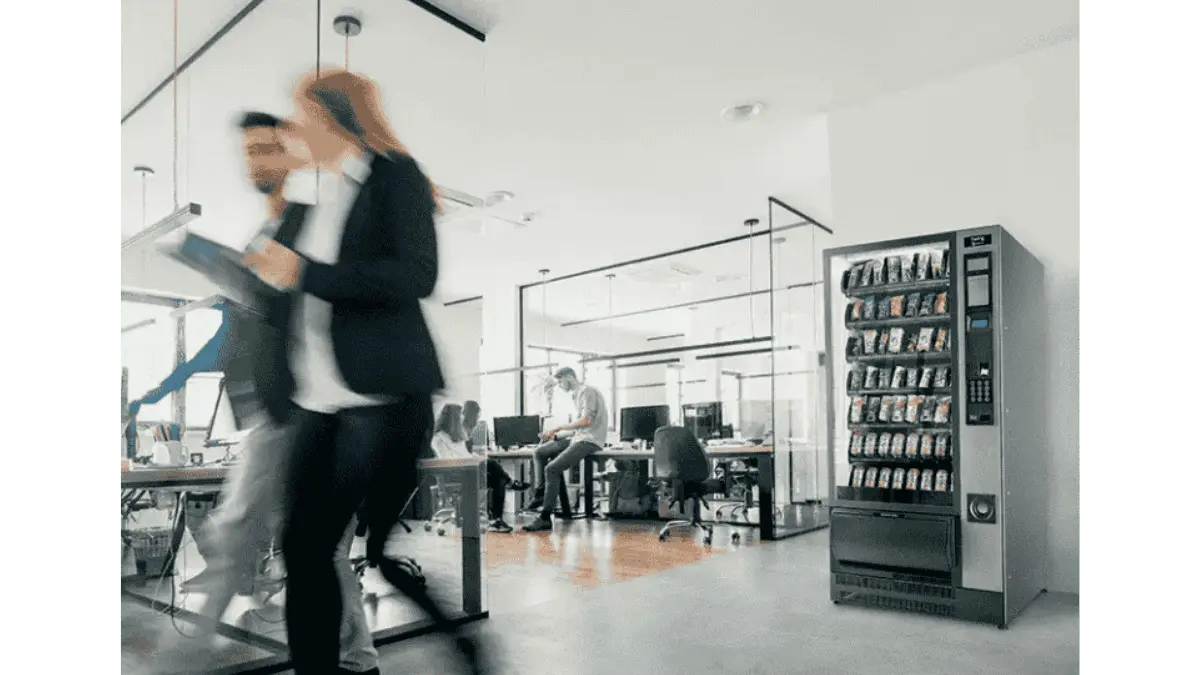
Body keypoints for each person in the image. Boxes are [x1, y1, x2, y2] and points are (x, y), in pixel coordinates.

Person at [244, 69, 485, 675]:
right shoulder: (311, 197)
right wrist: (255, 278)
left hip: (381, 395)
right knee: (305, 549)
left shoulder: (394, 177)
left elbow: (415, 277)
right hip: (316, 403)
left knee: (368, 550)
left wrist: (303, 273)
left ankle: (463, 645)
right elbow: (288, 301)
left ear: (337, 119)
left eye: (306, 117)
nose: (297, 129)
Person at [158, 112, 381, 675]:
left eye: (267, 148)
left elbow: (281, 297)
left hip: (305, 413)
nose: (256, 161)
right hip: (282, 413)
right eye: (249, 151)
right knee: (312, 549)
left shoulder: (312, 219)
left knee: (251, 536)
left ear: (292, 154)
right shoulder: (272, 229)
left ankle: (191, 654)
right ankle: (356, 659)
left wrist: (209, 259)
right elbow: (266, 305)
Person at [522, 367, 608, 533]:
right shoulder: (577, 395)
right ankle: (540, 494)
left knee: (552, 469)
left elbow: (586, 421)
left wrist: (561, 426)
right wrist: (554, 434)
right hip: (579, 437)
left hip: (590, 440)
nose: (560, 386)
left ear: (569, 377)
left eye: (560, 381)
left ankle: (545, 517)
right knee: (539, 452)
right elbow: (577, 429)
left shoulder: (587, 391)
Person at [431, 403, 527, 533]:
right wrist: (474, 459)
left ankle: (496, 520)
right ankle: (511, 483)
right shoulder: (438, 438)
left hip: (467, 471)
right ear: (452, 419)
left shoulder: (456, 436)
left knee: (499, 480)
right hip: (453, 474)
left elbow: (464, 454)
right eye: (459, 417)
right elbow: (447, 460)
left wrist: (475, 457)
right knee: (492, 464)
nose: (462, 420)